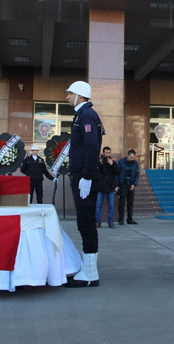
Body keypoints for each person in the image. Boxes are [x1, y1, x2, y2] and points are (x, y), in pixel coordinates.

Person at [64, 80, 105, 288]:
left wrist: (87, 176)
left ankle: (90, 273)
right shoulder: (82, 115)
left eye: (70, 93)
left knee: (86, 222)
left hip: (84, 177)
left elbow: (91, 147)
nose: (67, 96)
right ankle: (88, 270)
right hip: (81, 176)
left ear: (80, 95)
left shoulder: (87, 115)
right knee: (84, 222)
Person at [96, 146, 119, 228]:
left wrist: (112, 164)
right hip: (101, 187)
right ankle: (98, 222)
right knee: (98, 206)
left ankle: (110, 222)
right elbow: (97, 173)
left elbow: (117, 172)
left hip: (110, 187)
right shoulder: (99, 162)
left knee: (111, 206)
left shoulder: (113, 162)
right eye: (106, 153)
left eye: (109, 153)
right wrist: (101, 164)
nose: (108, 154)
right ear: (103, 153)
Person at [116, 149, 140, 225]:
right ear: (127, 156)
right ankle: (121, 219)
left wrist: (134, 184)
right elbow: (116, 174)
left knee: (130, 202)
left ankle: (130, 219)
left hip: (131, 185)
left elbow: (137, 175)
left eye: (133, 157)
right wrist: (117, 185)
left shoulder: (135, 163)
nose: (132, 159)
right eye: (131, 157)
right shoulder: (121, 162)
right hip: (123, 184)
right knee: (122, 202)